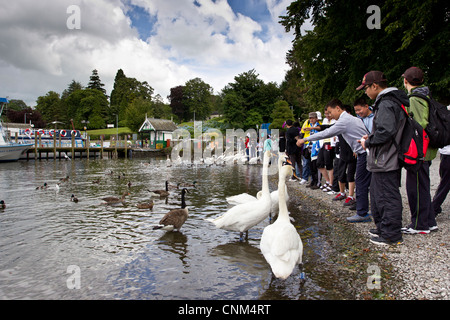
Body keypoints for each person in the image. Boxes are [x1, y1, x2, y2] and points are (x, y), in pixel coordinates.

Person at [296, 99, 371, 222]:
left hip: (364, 153)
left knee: (361, 182)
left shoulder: (344, 121)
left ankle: (363, 213)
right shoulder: (350, 119)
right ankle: (370, 210)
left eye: (330, 113)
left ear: (338, 108)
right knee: (367, 182)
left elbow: (327, 133)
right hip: (364, 151)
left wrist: (305, 139)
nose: (329, 116)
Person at [358, 70, 408, 246]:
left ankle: (391, 234)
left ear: (375, 86)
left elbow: (386, 131)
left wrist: (368, 142)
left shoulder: (386, 103)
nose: (365, 92)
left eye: (366, 88)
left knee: (387, 195)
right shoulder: (388, 102)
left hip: (387, 158)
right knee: (379, 194)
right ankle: (383, 228)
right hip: (384, 158)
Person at [401, 67, 438, 234]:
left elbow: (419, 124)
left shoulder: (415, 98)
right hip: (426, 149)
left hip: (418, 151)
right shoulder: (426, 95)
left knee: (415, 187)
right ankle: (429, 221)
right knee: (423, 185)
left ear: (406, 81)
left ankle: (419, 225)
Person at [301, 113, 321, 188]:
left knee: (316, 166)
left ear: (316, 118)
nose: (311, 119)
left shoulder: (318, 126)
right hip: (310, 147)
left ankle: (317, 182)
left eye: (313, 118)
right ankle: (313, 181)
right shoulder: (310, 126)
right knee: (311, 166)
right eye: (310, 118)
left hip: (316, 148)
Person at [432, 143, 450, 217]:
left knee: (445, 183)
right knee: (445, 183)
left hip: (446, 152)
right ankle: (434, 207)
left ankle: (434, 208)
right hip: (446, 152)